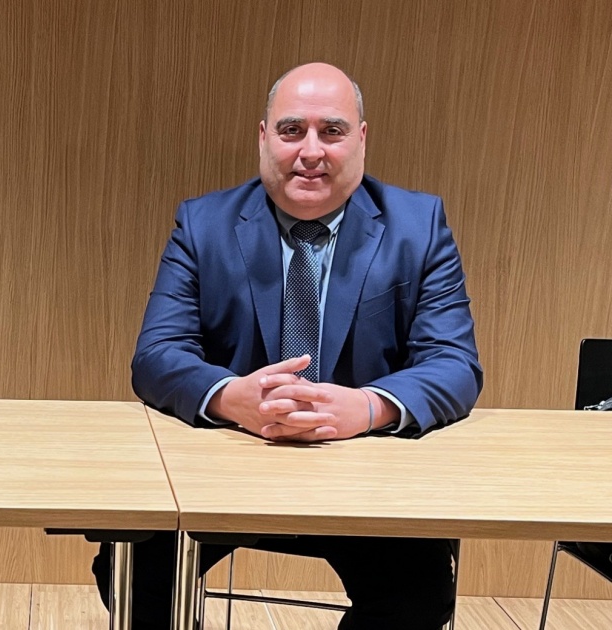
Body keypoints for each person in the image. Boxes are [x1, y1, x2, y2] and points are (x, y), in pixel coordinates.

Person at [93, 62, 482, 629]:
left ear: (362, 138)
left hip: (366, 475)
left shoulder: (417, 226)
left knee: (416, 597)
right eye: (292, 130)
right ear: (263, 137)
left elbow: (454, 363)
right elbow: (156, 354)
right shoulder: (203, 224)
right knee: (132, 575)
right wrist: (232, 397)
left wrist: (367, 406)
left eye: (332, 131)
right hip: (226, 470)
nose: (311, 151)